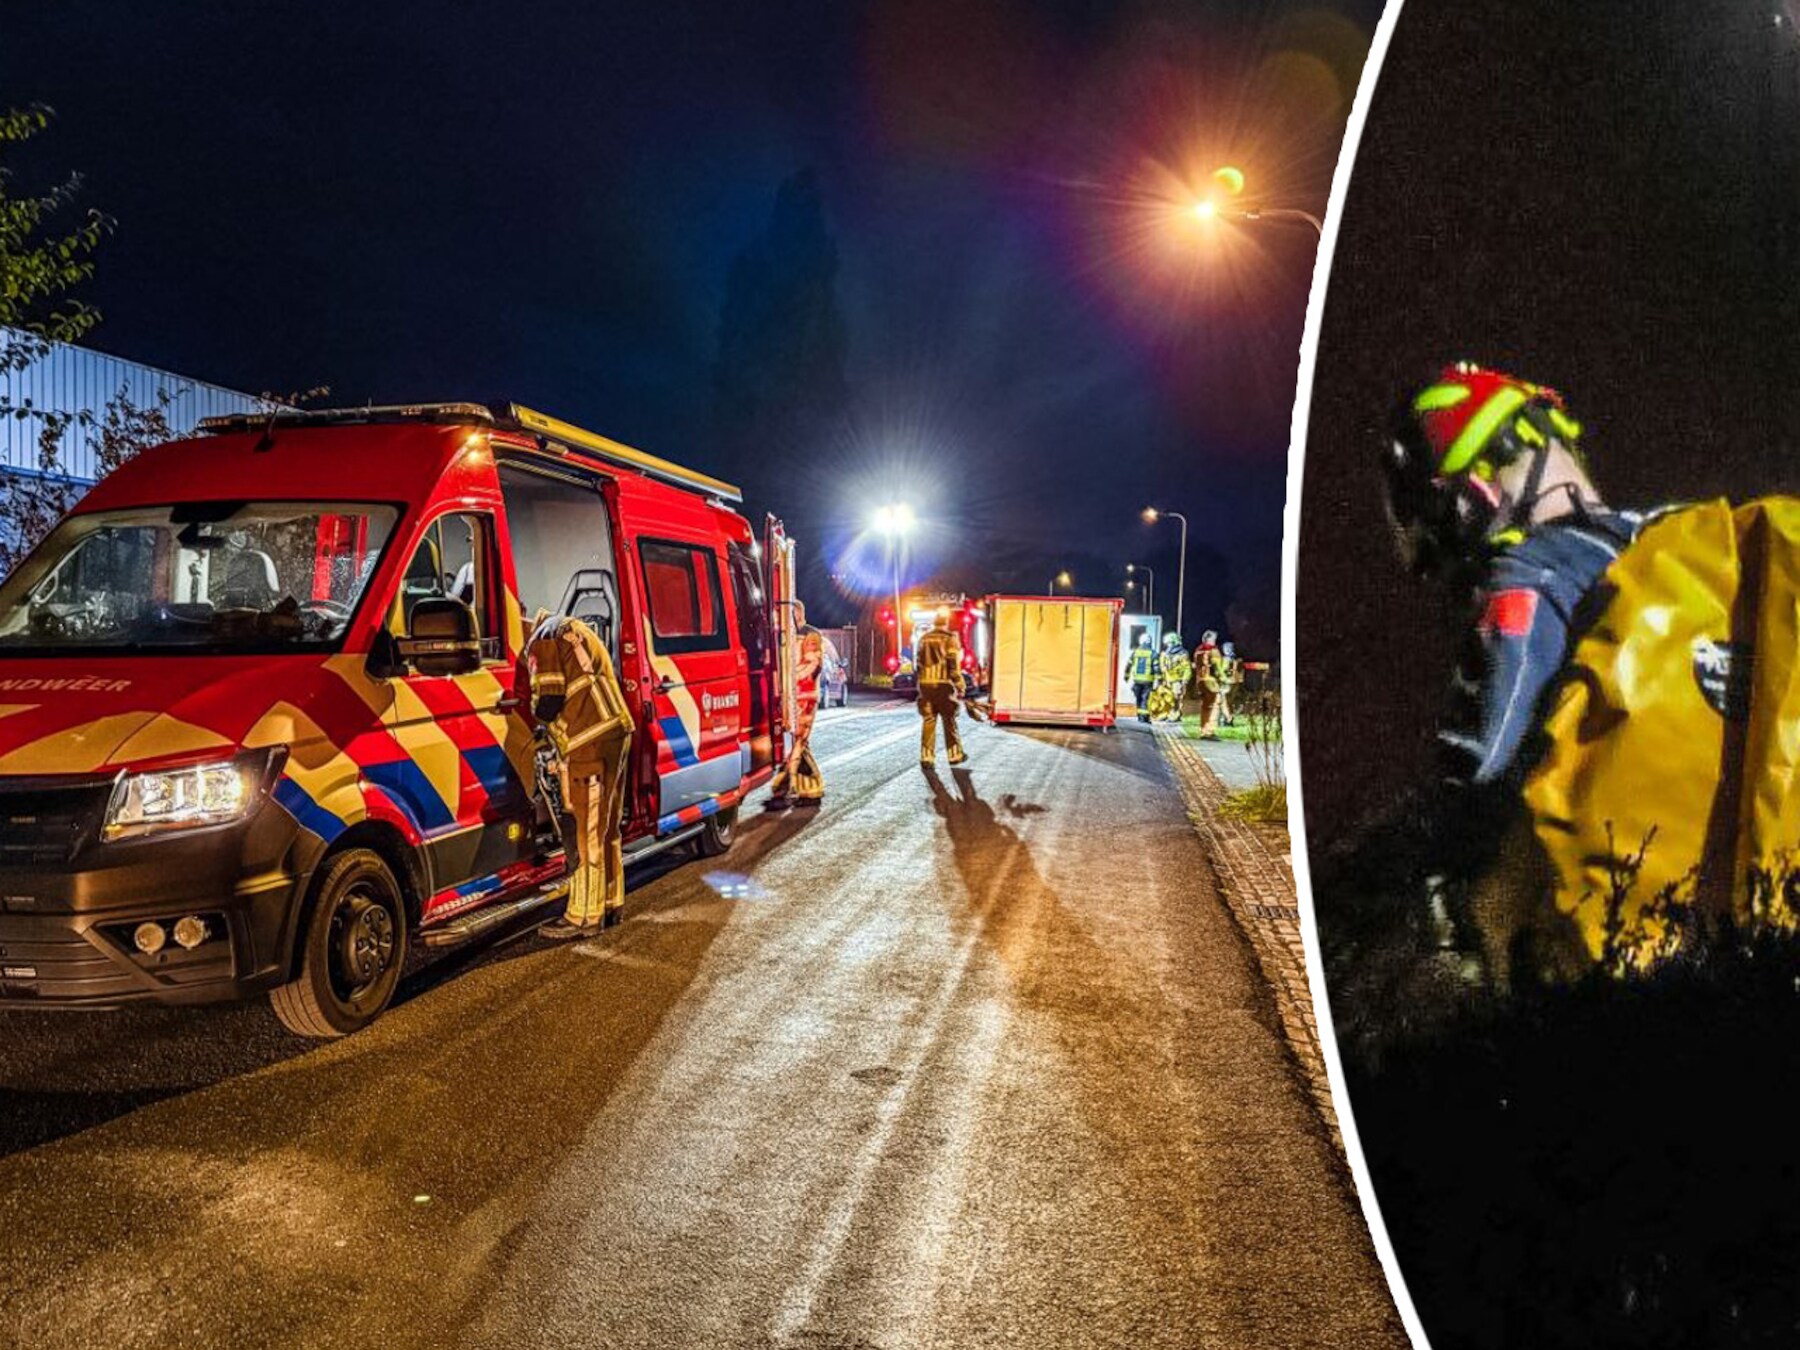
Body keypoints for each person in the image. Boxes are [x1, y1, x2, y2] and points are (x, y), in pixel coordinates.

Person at [1385, 362, 1651, 970]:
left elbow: (1482, 767)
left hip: (1597, 960)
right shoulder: (1676, 548)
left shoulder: (1527, 585)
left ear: (1470, 497)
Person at [527, 609, 635, 939]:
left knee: (586, 832)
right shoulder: (571, 628)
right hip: (616, 729)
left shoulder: (542, 641)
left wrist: (534, 719)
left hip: (588, 739)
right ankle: (611, 901)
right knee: (607, 826)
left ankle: (583, 916)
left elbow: (549, 700)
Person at [770, 599, 825, 805]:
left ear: (799, 614)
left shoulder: (811, 634)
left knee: (798, 741)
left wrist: (793, 678)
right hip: (790, 694)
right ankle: (807, 788)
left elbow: (813, 665)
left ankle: (788, 788)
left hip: (806, 695)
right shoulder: (784, 633)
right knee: (797, 741)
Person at [916, 606, 968, 766]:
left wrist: (921, 681)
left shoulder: (924, 638)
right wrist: (960, 684)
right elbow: (953, 664)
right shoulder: (949, 638)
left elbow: (918, 663)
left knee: (929, 720)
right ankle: (954, 755)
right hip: (943, 686)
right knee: (949, 720)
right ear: (946, 622)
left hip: (925, 685)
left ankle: (927, 757)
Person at [1147, 631, 1190, 723]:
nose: (1168, 645)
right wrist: (1160, 678)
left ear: (1174, 642)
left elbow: (1186, 668)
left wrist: (1184, 680)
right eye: (1167, 644)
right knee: (1166, 698)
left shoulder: (1182, 654)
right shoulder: (1165, 654)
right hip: (1166, 680)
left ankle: (1175, 715)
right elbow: (1162, 667)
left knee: (1176, 698)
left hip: (1177, 680)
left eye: (1169, 643)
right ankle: (1165, 714)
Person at [1194, 631, 1224, 736]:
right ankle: (1209, 731)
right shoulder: (1213, 651)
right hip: (1211, 682)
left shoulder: (1198, 651)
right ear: (1210, 639)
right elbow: (1218, 668)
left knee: (1205, 706)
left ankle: (1203, 729)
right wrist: (1222, 678)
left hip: (1200, 681)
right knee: (1215, 705)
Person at [1127, 632, 1158, 723]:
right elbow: (1156, 668)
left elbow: (1129, 665)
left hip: (1137, 680)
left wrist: (1126, 677)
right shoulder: (1153, 653)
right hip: (1148, 681)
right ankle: (1144, 718)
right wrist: (1159, 680)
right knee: (1145, 699)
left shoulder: (1135, 652)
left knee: (1138, 698)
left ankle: (1140, 716)